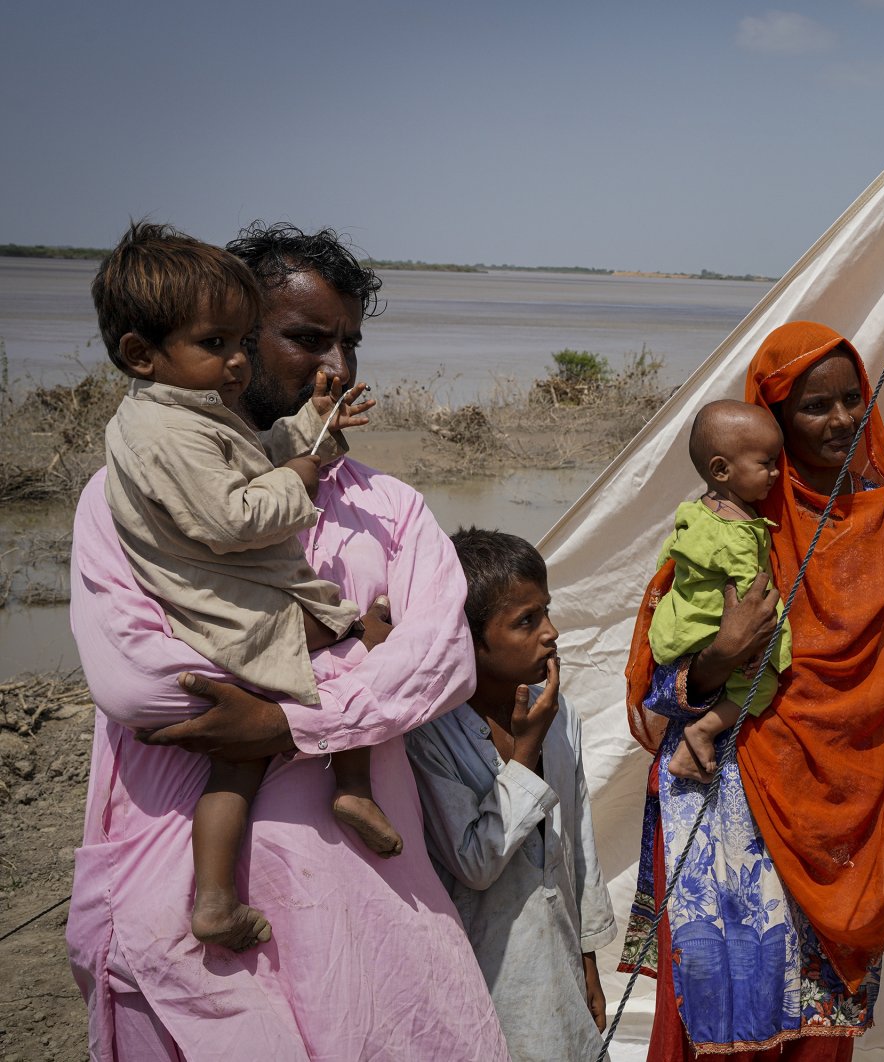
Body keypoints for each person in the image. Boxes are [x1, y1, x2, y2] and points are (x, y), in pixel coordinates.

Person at [66, 222, 510, 1059]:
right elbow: (135, 684)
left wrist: (289, 725)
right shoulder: (123, 500)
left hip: (364, 912)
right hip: (183, 912)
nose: (336, 368)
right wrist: (349, 677)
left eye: (349, 343)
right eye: (306, 339)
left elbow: (441, 662)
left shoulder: (392, 509)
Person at [621, 321, 884, 1060]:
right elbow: (655, 691)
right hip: (730, 800)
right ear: (771, 421)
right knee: (721, 1019)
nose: (840, 421)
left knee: (816, 1031)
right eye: (814, 407)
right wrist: (718, 661)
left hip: (839, 821)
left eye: (852, 401)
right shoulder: (729, 528)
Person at [92, 222, 401, 954]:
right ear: (142, 354)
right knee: (363, 635)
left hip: (346, 906)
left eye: (237, 342)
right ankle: (349, 784)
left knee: (240, 762)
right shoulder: (148, 450)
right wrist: (301, 479)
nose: (234, 362)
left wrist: (310, 431)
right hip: (238, 636)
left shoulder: (190, 420)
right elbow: (235, 510)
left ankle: (217, 897)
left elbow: (250, 459)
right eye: (219, 344)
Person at [405, 528, 616, 1062]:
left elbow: (578, 847)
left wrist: (588, 962)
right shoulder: (429, 734)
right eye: (526, 621)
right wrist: (524, 752)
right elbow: (474, 863)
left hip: (560, 962)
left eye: (545, 612)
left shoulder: (557, 710)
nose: (551, 633)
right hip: (486, 974)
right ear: (468, 639)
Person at [649, 399, 790, 784]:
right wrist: (759, 646)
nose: (777, 473)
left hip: (684, 624)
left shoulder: (694, 511)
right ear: (721, 469)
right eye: (767, 464)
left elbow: (669, 560)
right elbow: (751, 592)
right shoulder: (740, 532)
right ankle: (703, 731)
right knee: (760, 687)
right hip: (720, 628)